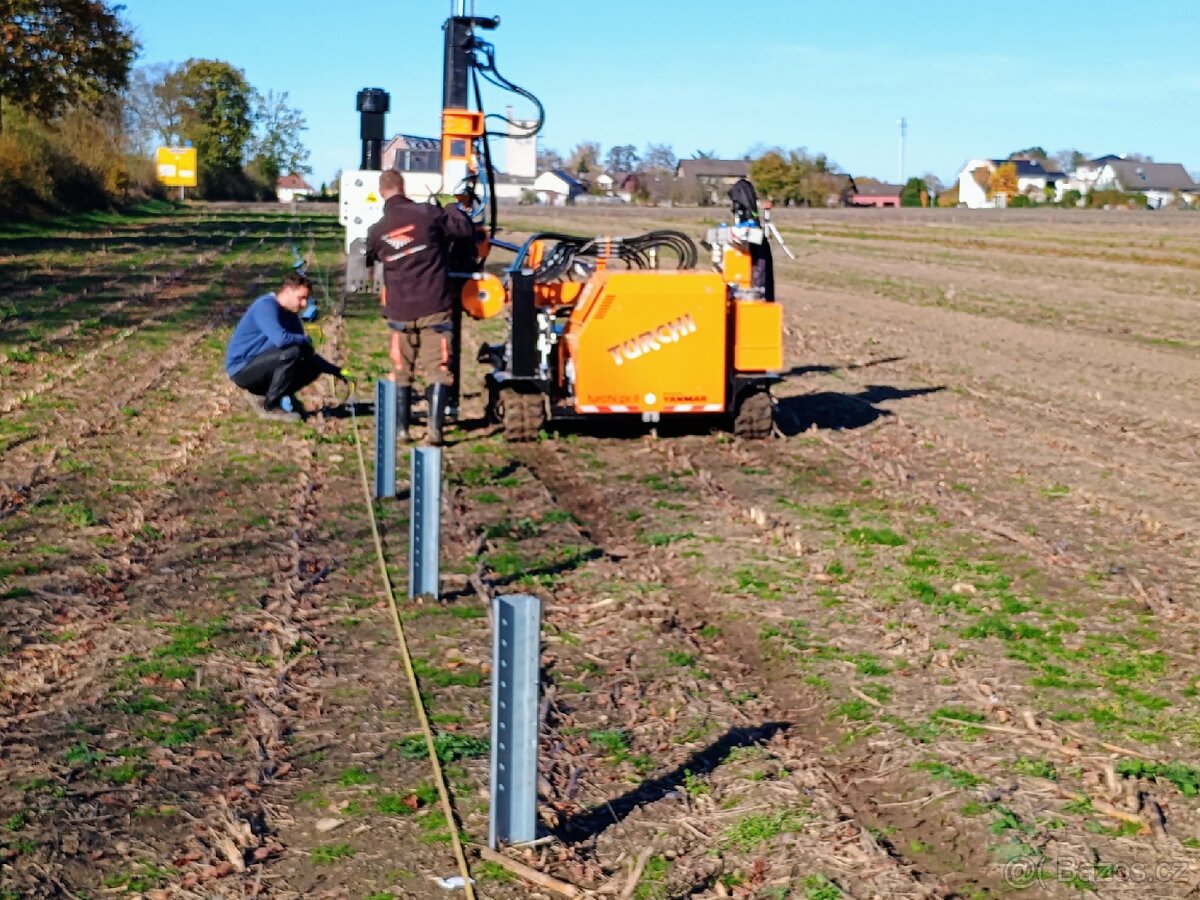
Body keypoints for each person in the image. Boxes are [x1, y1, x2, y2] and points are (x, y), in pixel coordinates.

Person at [366, 169, 473, 444]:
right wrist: (450, 202)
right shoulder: (428, 214)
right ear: (404, 188)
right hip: (433, 308)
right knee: (437, 368)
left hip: (400, 312)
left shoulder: (377, 230)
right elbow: (463, 230)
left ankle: (402, 430)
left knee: (402, 370)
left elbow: (368, 260)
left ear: (381, 193)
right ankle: (435, 430)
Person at [225, 271, 345, 422]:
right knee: (292, 352)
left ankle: (274, 396)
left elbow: (307, 351)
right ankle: (271, 405)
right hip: (242, 369)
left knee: (310, 363)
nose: (304, 304)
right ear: (288, 291)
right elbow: (281, 340)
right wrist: (303, 339)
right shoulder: (266, 306)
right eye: (301, 298)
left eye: (306, 300)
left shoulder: (291, 316)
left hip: (263, 364)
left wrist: (337, 371)